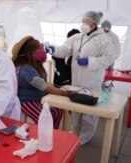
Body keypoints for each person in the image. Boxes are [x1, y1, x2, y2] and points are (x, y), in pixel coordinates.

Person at [47, 11, 117, 145]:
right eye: (83, 20)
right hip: (77, 79)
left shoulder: (103, 39)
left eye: (86, 21)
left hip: (92, 80)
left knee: (90, 110)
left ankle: (85, 136)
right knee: (76, 106)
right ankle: (74, 131)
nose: (83, 23)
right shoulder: (77, 37)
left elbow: (110, 57)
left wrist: (90, 61)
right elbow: (65, 50)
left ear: (94, 23)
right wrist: (52, 49)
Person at [12, 36, 70, 128]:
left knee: (58, 111)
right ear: (32, 53)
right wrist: (63, 93)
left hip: (38, 100)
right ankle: (44, 133)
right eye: (40, 49)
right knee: (46, 117)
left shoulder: (34, 65)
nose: (43, 51)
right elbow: (43, 86)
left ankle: (51, 132)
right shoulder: (26, 70)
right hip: (26, 101)